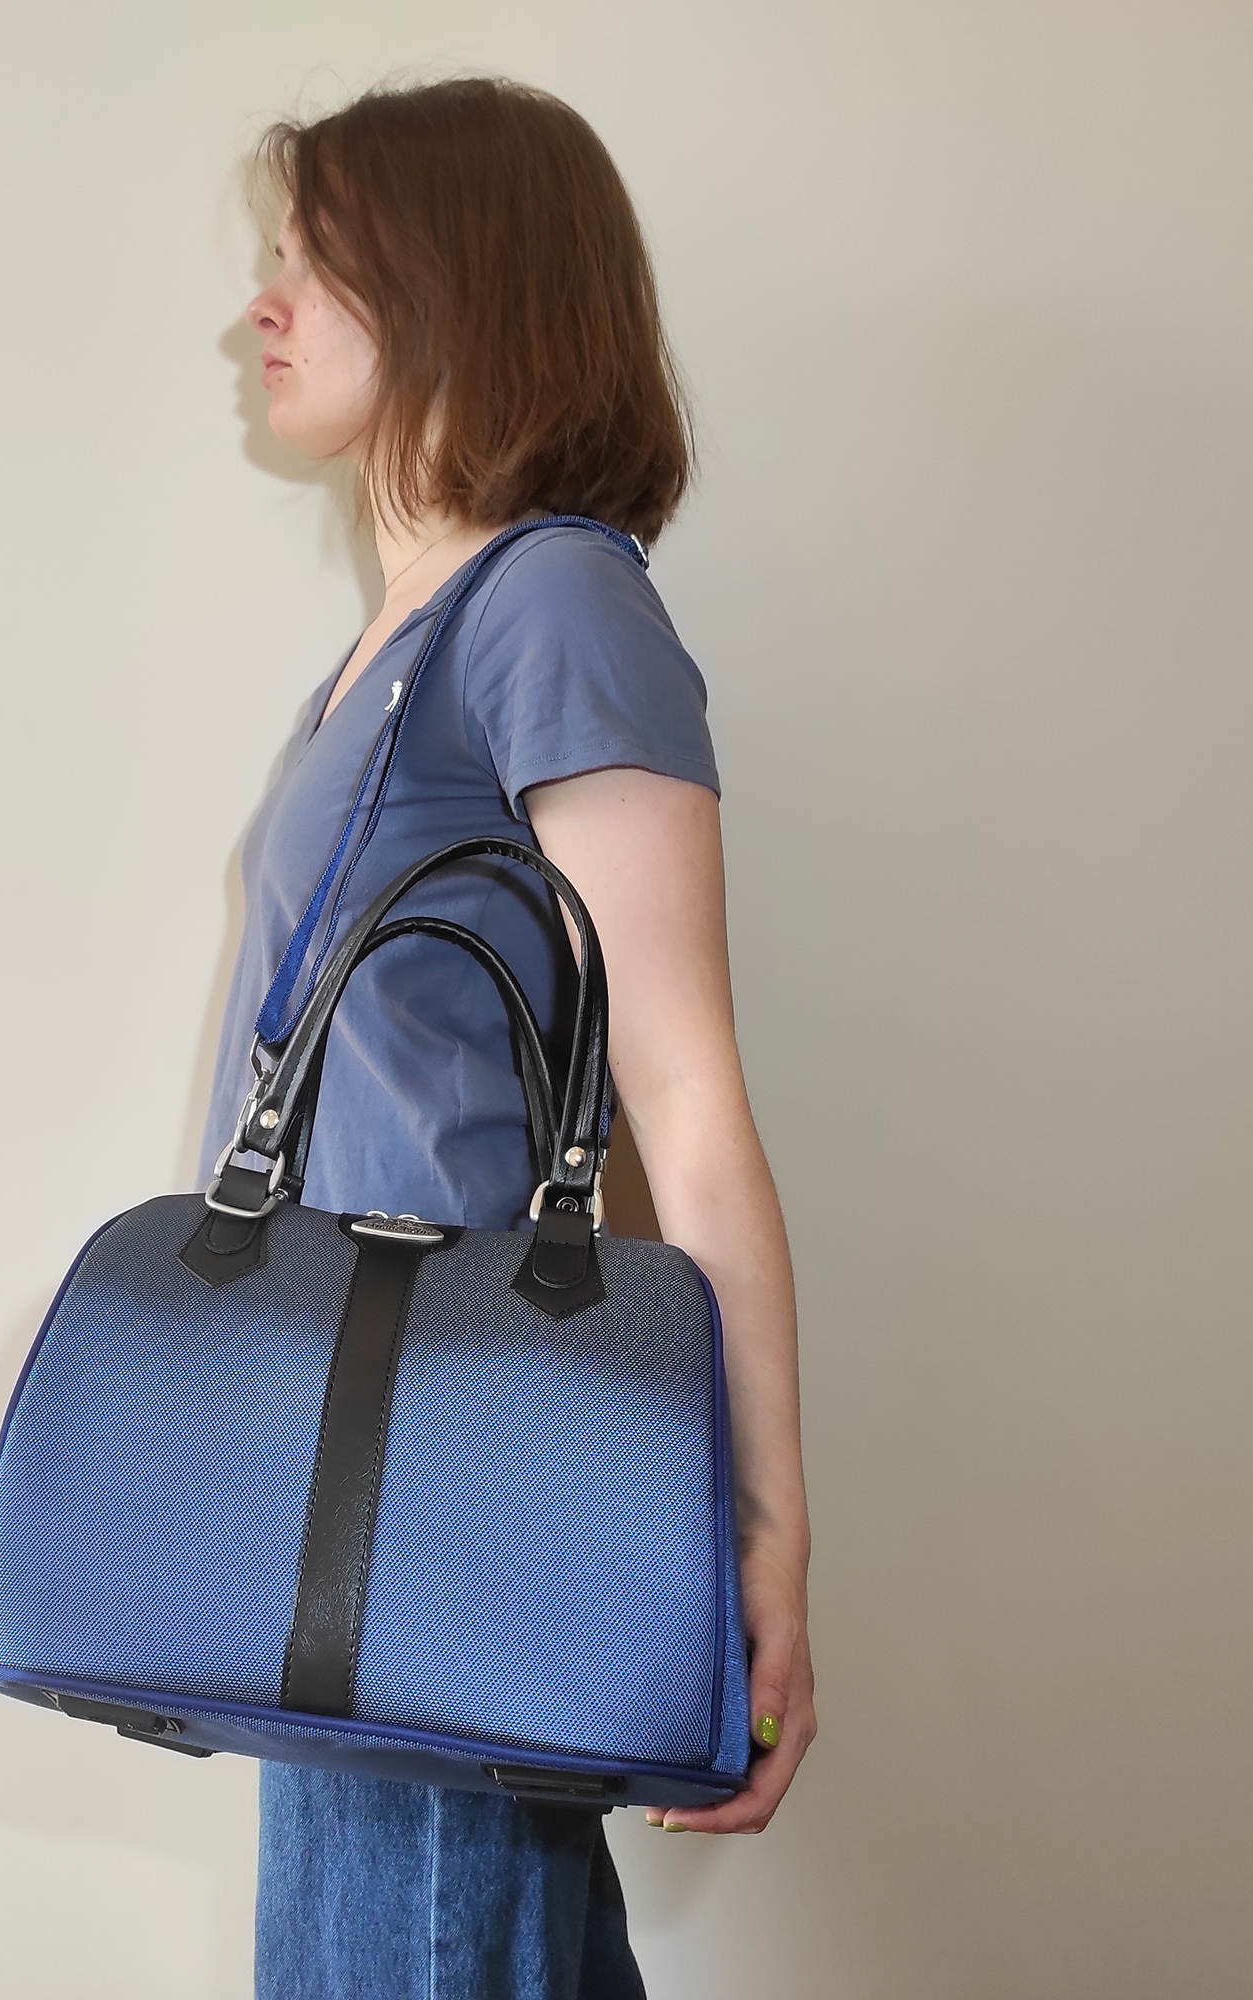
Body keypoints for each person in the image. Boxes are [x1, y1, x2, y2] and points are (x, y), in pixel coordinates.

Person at [202, 74, 816, 1999]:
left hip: (451, 1467)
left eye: (312, 263)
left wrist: (762, 1544)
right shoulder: (396, 646)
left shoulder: (552, 602)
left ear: (455, 283)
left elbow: (682, 1098)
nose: (259, 308)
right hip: (358, 1462)